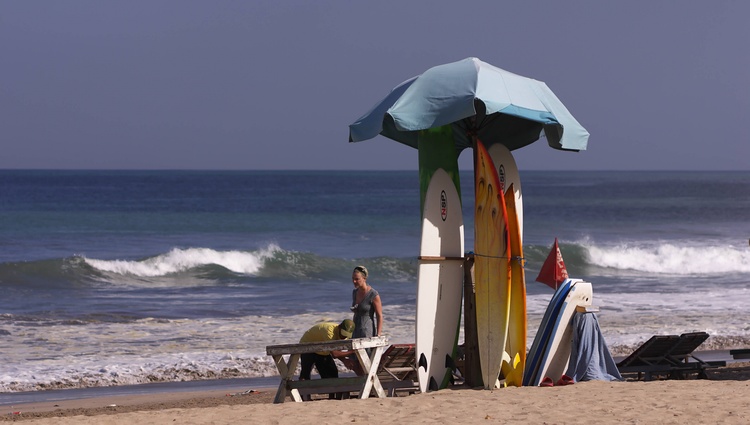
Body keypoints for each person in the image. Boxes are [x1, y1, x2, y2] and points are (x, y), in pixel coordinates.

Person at [298, 319, 356, 400]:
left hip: (322, 349)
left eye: (346, 335)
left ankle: (332, 398)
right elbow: (334, 354)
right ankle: (303, 398)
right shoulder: (329, 332)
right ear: (339, 327)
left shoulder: (345, 337)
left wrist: (344, 360)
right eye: (342, 334)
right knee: (306, 373)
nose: (343, 337)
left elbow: (337, 351)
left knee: (333, 373)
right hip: (307, 345)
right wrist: (352, 352)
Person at [350, 265, 383, 339]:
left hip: (367, 331)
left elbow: (379, 315)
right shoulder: (355, 292)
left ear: (364, 278)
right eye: (353, 279)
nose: (354, 281)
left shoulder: (373, 294)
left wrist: (378, 334)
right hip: (355, 330)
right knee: (353, 350)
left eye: (357, 279)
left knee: (366, 351)